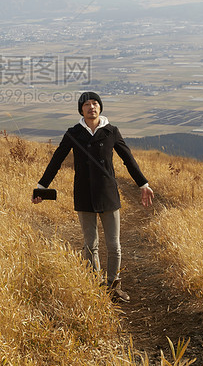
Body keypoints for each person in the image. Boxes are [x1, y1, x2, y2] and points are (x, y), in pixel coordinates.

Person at [33, 91, 154, 303]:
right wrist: (41, 187)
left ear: (100, 107)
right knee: (90, 245)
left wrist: (143, 184)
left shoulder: (111, 131)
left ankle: (114, 286)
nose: (92, 107)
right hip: (84, 194)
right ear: (81, 109)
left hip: (108, 194)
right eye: (87, 104)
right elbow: (56, 161)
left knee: (114, 245)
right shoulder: (73, 133)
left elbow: (128, 160)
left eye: (95, 103)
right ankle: (95, 285)